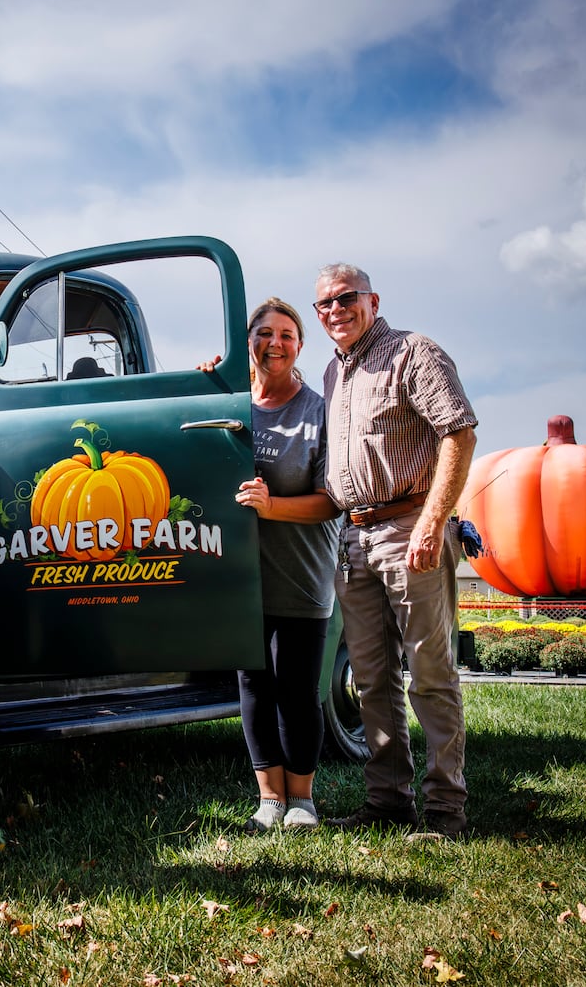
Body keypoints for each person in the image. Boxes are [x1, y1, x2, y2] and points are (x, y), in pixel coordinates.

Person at [313, 263, 477, 841]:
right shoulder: (334, 376)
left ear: (372, 300)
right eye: (325, 304)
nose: (336, 310)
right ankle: (387, 801)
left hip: (412, 528)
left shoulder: (413, 352)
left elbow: (459, 434)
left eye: (346, 298)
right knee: (370, 679)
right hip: (354, 539)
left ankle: (444, 811)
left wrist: (433, 524)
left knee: (430, 675)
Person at [207, 299, 340, 831]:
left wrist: (272, 507)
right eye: (264, 333)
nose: (275, 343)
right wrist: (208, 382)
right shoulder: (230, 404)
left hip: (301, 573)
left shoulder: (318, 410)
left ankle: (303, 801)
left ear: (300, 346)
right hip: (241, 575)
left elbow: (332, 500)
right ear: (249, 344)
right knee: (254, 686)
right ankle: (269, 799)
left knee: (297, 689)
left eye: (287, 334)